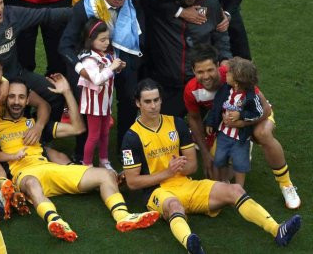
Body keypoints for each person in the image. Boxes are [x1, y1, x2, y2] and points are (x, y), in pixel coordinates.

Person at [121, 79, 301, 253]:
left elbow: (192, 166)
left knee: (235, 190)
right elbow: (133, 182)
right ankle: (192, 245)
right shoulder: (132, 137)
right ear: (138, 103)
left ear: (161, 100)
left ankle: (277, 230)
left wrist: (179, 169)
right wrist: (168, 172)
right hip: (158, 192)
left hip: (187, 185)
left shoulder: (176, 124)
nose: (153, 106)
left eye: (156, 100)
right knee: (175, 206)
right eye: (147, 102)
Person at [58, 0, 222, 155]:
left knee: (128, 101)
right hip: (94, 66)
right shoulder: (85, 9)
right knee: (90, 110)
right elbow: (65, 45)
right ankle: (81, 156)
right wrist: (83, 70)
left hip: (127, 59)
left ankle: (125, 149)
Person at [0, 77, 159, 241]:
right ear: (5, 97)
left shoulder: (37, 124)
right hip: (25, 174)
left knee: (106, 174)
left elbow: (77, 127)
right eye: (12, 96)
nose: (16, 101)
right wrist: (3, 183)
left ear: (28, 99)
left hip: (51, 169)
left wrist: (67, 93)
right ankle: (55, 221)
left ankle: (123, 216)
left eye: (21, 97)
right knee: (31, 183)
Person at [183, 44, 300, 209]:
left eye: (210, 70)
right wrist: (204, 153)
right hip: (228, 124)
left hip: (254, 115)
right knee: (219, 176)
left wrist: (242, 123)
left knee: (262, 134)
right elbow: (194, 119)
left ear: (218, 66)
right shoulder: (191, 90)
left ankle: (286, 184)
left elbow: (265, 109)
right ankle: (242, 149)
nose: (206, 76)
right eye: (200, 72)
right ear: (193, 72)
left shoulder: (233, 75)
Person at [146, 0, 231, 117]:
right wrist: (179, 11)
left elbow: (221, 34)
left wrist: (225, 58)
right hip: (169, 82)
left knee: (215, 125)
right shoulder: (160, 3)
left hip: (203, 80)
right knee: (168, 130)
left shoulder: (210, 1)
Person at [204, 58, 261, 187]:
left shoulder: (251, 97)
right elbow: (216, 106)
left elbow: (257, 113)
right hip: (223, 134)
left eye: (229, 73)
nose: (226, 75)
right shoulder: (225, 90)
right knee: (219, 159)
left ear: (237, 81)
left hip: (240, 138)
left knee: (240, 163)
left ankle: (239, 190)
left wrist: (241, 115)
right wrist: (210, 122)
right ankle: (224, 182)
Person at [76, 18, 125, 169]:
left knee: (105, 134)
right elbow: (97, 79)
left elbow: (108, 73)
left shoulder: (106, 56)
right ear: (90, 40)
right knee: (94, 136)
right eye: (102, 40)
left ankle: (104, 161)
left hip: (105, 103)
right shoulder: (89, 60)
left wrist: (118, 67)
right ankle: (87, 165)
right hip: (93, 105)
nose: (106, 43)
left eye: (108, 39)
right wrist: (112, 68)